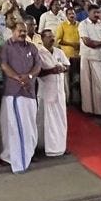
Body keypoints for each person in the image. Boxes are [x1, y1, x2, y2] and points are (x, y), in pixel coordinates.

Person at [0, 21, 41, 173]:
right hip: (13, 92)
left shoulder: (32, 47)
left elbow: (38, 66)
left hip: (29, 92)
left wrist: (29, 77)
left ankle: (28, 152)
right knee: (12, 127)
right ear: (13, 31)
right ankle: (11, 157)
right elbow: (4, 66)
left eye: (24, 31)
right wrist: (18, 78)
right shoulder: (6, 47)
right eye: (20, 31)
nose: (23, 33)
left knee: (30, 125)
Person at [36, 29, 69, 157]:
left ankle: (60, 146)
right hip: (46, 92)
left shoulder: (59, 51)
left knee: (60, 120)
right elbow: (38, 72)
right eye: (48, 37)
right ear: (42, 39)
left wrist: (63, 68)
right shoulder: (39, 53)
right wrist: (52, 70)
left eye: (52, 36)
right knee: (46, 120)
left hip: (59, 91)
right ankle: (45, 146)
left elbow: (67, 65)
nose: (52, 39)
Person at [78, 6, 101, 115]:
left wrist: (97, 43)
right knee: (86, 83)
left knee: (99, 83)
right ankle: (87, 109)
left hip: (100, 57)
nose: (96, 14)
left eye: (98, 12)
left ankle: (99, 111)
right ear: (89, 13)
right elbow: (87, 42)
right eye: (94, 12)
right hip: (87, 56)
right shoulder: (83, 24)